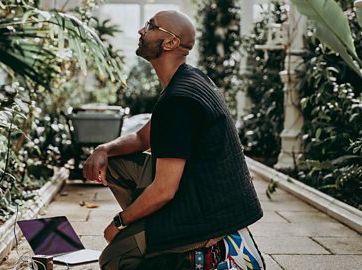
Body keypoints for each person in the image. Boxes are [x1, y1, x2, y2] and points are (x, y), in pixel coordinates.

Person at [83, 10, 265, 270]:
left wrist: (120, 223)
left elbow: (164, 190)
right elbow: (141, 137)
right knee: (114, 164)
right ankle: (160, 237)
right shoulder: (188, 80)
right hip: (201, 192)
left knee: (114, 259)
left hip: (206, 214)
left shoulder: (179, 100)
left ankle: (205, 255)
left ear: (170, 43)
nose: (141, 31)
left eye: (150, 26)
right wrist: (104, 149)